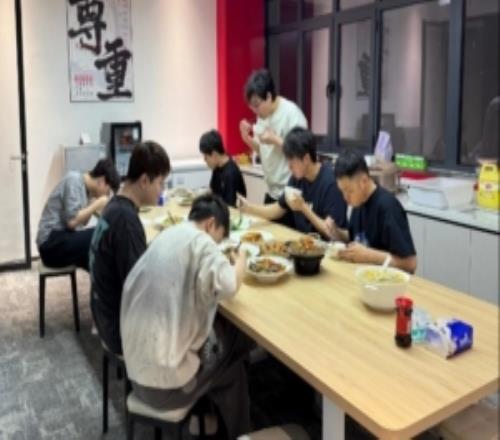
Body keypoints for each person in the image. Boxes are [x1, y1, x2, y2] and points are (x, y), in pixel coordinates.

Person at [120, 194, 251, 439]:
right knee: (235, 352)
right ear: (211, 224)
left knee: (214, 337)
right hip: (165, 389)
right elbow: (230, 285)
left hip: (134, 372)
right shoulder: (202, 242)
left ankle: (206, 418)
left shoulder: (167, 234)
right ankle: (238, 433)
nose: (217, 245)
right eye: (219, 238)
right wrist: (240, 261)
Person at [89, 141, 170, 355]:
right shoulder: (126, 222)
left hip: (102, 315)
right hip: (119, 329)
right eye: (160, 183)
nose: (162, 191)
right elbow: (142, 292)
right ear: (144, 181)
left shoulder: (113, 206)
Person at [238, 127, 347, 239]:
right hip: (301, 241)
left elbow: (332, 233)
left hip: (324, 246)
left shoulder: (331, 183)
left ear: (306, 159)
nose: (289, 166)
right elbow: (278, 209)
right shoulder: (297, 177)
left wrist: (303, 208)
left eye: (292, 161)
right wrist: (249, 208)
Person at [328, 148, 417, 273]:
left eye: (349, 191)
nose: (345, 198)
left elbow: (410, 263)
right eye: (342, 191)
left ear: (363, 181)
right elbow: (355, 237)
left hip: (385, 280)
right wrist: (336, 232)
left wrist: (369, 256)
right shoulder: (358, 201)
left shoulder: (388, 207)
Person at [239, 69, 307, 224]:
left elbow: (301, 154)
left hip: (290, 195)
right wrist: (247, 139)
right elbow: (263, 151)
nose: (255, 111)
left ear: (269, 96)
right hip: (271, 192)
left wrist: (275, 140)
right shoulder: (262, 116)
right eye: (252, 107)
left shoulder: (292, 113)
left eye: (257, 105)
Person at [36, 158, 120, 270]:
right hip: (49, 244)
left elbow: (83, 223)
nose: (107, 195)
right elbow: (72, 222)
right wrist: (96, 205)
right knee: (101, 232)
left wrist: (93, 202)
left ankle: (104, 280)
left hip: (62, 238)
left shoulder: (86, 190)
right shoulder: (74, 181)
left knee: (97, 258)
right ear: (102, 181)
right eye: (108, 191)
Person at [199, 129, 246, 207]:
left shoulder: (231, 173)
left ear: (214, 154)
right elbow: (212, 192)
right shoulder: (217, 167)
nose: (204, 160)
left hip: (230, 212)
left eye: (205, 156)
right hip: (219, 209)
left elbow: (230, 207)